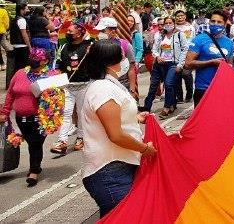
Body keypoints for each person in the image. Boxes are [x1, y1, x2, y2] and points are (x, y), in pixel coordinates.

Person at [78, 39, 155, 217]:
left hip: (120, 164)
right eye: (121, 57)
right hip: (110, 171)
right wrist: (145, 149)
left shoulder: (109, 84)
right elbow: (115, 135)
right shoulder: (102, 89)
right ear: (110, 62)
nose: (125, 60)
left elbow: (113, 116)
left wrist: (134, 117)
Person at [0, 48, 50, 186]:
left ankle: (34, 171)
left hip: (40, 119)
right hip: (21, 118)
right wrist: (4, 112)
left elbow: (55, 100)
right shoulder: (20, 73)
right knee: (31, 143)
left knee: (35, 143)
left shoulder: (48, 76)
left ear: (45, 61)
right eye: (31, 57)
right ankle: (36, 165)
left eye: (37, 58)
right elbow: (10, 94)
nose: (33, 60)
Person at [52, 24, 92, 155]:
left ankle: (81, 138)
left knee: (81, 113)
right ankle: (62, 141)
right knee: (66, 113)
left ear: (79, 33)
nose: (67, 33)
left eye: (70, 31)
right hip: (67, 86)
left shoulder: (89, 46)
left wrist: (91, 53)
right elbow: (58, 64)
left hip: (84, 85)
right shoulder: (63, 47)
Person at [184, 10, 233, 106]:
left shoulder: (229, 42)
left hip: (222, 89)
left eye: (219, 22)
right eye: (213, 21)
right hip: (203, 88)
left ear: (225, 23)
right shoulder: (199, 39)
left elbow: (230, 65)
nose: (215, 24)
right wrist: (211, 62)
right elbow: (188, 64)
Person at [144, 17, 188, 117]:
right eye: (166, 23)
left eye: (170, 22)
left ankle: (167, 107)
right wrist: (158, 56)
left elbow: (184, 49)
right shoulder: (160, 35)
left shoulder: (179, 35)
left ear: (174, 23)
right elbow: (154, 49)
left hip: (173, 64)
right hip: (159, 64)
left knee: (168, 84)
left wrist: (180, 65)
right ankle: (147, 107)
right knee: (153, 85)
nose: (168, 25)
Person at [94, 17, 138, 100]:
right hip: (102, 84)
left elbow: (131, 68)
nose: (99, 33)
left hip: (122, 84)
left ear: (113, 31)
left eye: (103, 31)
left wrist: (132, 90)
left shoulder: (125, 45)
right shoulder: (95, 46)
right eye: (99, 31)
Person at [173, 10, 195, 103]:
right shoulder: (173, 28)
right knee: (177, 75)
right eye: (178, 16)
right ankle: (179, 96)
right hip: (176, 54)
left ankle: (189, 94)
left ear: (185, 17)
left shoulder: (190, 27)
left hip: (188, 54)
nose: (180, 17)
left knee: (186, 74)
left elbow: (193, 40)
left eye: (182, 16)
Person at [9, 3, 31, 79]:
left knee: (17, 66)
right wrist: (29, 46)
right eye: (27, 9)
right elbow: (24, 34)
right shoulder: (21, 20)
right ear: (22, 10)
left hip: (15, 45)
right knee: (22, 67)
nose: (28, 10)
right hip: (22, 46)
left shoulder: (14, 19)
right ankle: (19, 82)